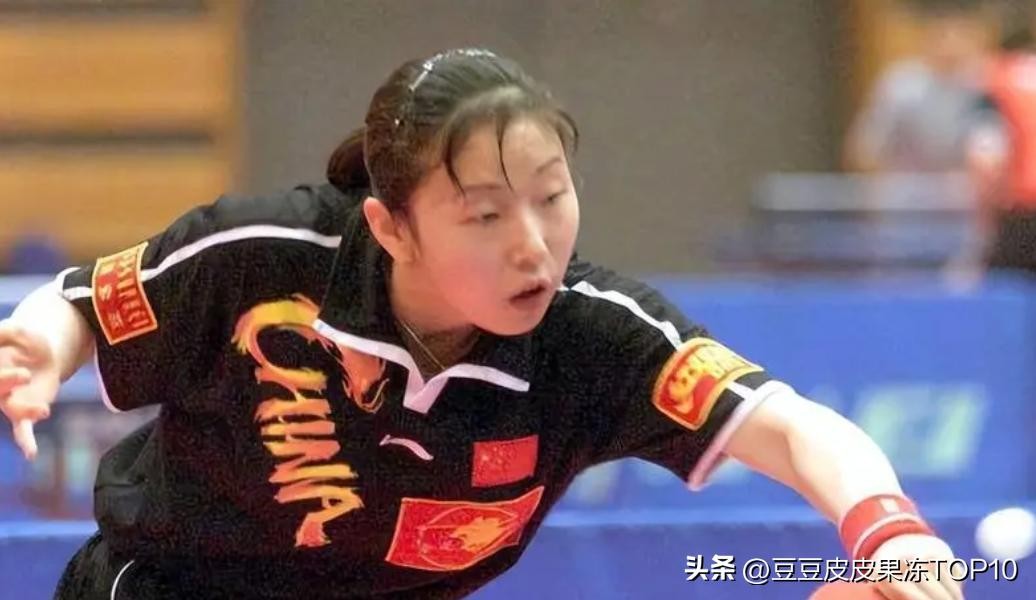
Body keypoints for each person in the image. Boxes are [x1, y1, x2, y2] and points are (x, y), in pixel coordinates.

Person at [0, 48, 962, 599]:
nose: (534, 246)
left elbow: (787, 425)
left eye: (552, 197)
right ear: (392, 226)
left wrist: (890, 531)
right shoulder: (264, 257)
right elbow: (81, 304)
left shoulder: (590, 340)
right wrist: (43, 346)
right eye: (486, 214)